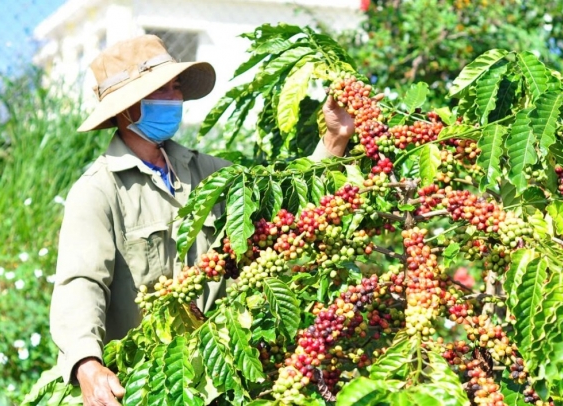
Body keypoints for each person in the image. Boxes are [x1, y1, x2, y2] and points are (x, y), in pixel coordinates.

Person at [49, 34, 354, 406]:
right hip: (144, 385)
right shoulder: (99, 191)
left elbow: (285, 222)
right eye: (163, 90)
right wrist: (87, 363)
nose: (176, 99)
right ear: (126, 109)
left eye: (177, 88)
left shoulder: (210, 172)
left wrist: (335, 141)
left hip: (223, 377)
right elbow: (81, 283)